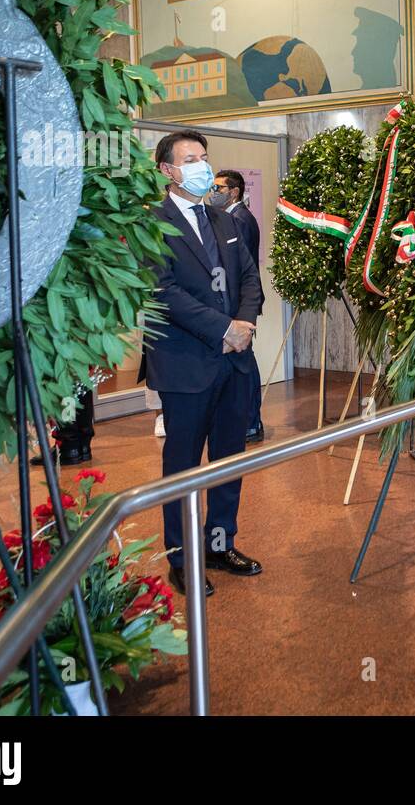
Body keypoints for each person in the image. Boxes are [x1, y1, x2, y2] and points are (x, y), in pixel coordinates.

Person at [146, 130, 264, 598]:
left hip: (235, 362)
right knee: (182, 465)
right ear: (167, 171)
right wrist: (222, 328)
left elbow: (250, 277)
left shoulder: (223, 219)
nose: (201, 165)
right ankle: (183, 558)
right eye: (190, 158)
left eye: (204, 157)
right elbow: (164, 292)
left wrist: (244, 323)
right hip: (186, 365)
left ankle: (219, 544)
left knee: (227, 459)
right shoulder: (152, 225)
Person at [208, 169, 264, 442]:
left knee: (244, 364)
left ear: (234, 191)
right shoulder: (233, 216)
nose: (213, 192)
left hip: (240, 305)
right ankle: (248, 422)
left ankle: (251, 422)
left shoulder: (238, 219)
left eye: (219, 188)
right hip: (237, 304)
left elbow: (238, 268)